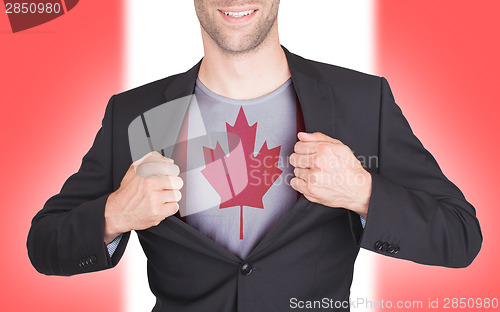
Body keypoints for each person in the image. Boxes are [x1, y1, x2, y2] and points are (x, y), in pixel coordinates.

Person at [27, 1, 482, 311]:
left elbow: (461, 236)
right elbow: (44, 245)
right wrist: (114, 214)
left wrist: (363, 192)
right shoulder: (136, 114)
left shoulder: (362, 101)